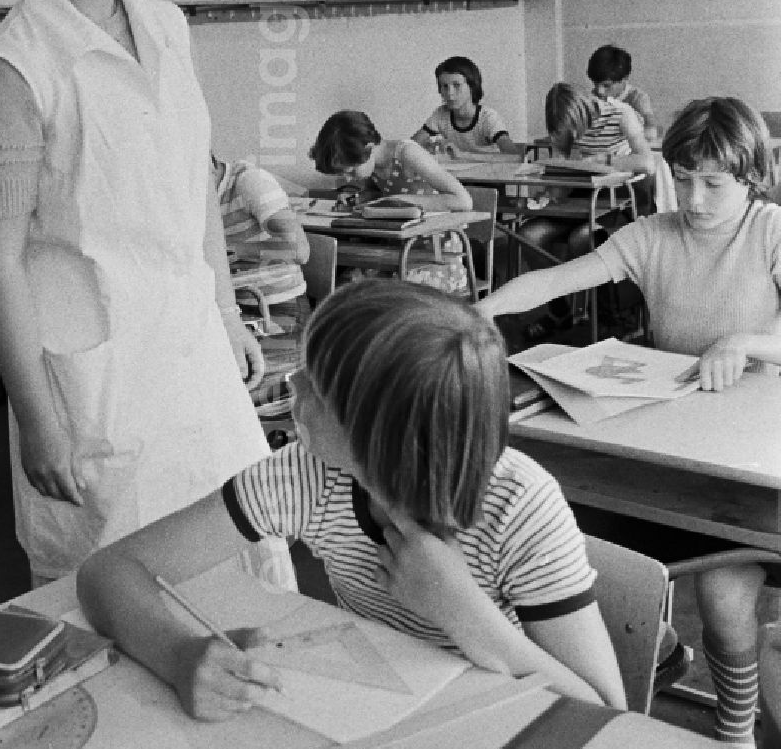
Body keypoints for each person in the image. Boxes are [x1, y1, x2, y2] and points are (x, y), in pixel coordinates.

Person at [0, 0, 290, 587]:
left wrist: (227, 310)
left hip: (196, 356)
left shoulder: (168, 26)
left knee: (249, 561)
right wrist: (38, 420)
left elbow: (195, 182)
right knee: (119, 594)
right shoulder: (11, 69)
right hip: (94, 382)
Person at [77, 279, 627, 718]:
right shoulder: (307, 476)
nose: (292, 384)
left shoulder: (520, 507)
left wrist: (466, 615)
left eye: (317, 385)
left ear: (382, 435)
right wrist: (178, 656)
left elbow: (610, 716)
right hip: (385, 722)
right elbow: (110, 571)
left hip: (497, 742)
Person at [479, 96, 781, 749]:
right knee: (586, 557)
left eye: (714, 183)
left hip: (746, 458)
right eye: (684, 177)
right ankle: (659, 648)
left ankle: (734, 731)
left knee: (729, 609)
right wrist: (486, 309)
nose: (695, 199)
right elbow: (563, 277)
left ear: (753, 177)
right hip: (661, 439)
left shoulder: (770, 230)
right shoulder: (653, 234)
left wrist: (748, 343)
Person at [519, 82, 654, 271]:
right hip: (579, 200)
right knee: (528, 235)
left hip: (616, 202)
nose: (574, 135)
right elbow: (561, 171)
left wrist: (603, 160)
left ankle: (596, 301)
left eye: (576, 127)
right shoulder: (563, 126)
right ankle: (559, 298)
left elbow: (647, 164)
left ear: (585, 111)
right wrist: (548, 193)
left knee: (582, 238)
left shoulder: (621, 114)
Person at [309, 111, 473, 207]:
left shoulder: (408, 153)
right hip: (400, 245)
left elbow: (463, 201)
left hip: (437, 248)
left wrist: (399, 201)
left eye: (351, 171)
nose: (348, 178)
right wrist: (359, 198)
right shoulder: (372, 167)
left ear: (369, 148)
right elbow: (378, 194)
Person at [413, 55, 523, 157]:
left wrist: (462, 155)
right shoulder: (441, 114)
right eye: (444, 86)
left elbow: (513, 156)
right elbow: (410, 146)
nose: (449, 92)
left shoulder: (487, 117)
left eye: (456, 85)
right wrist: (428, 148)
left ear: (472, 86)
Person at [212, 152, 310, 266]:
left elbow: (298, 251)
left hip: (268, 280)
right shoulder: (192, 198)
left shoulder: (252, 181)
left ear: (211, 164)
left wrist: (227, 251)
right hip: (224, 280)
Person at [586, 45, 659, 143]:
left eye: (607, 85)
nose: (599, 91)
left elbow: (651, 132)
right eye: (595, 83)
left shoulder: (637, 98)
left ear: (624, 79)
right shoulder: (592, 98)